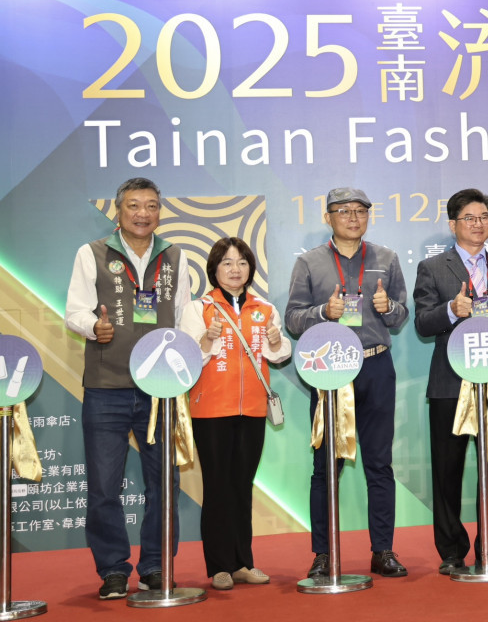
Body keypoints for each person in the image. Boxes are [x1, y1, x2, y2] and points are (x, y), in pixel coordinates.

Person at [65, 177, 190, 600]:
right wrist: (93, 326)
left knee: (164, 483)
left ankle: (156, 566)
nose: (143, 213)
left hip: (161, 388)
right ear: (118, 211)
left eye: (151, 206)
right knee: (104, 486)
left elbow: (183, 315)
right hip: (107, 386)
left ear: (160, 212)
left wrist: (192, 359)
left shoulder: (175, 256)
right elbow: (74, 310)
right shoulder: (92, 252)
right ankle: (113, 570)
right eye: (134, 205)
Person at [285, 187, 409, 579]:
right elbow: (292, 319)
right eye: (343, 211)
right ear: (328, 217)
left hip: (376, 365)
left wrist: (389, 307)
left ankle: (383, 550)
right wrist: (324, 312)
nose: (353, 218)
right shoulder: (309, 262)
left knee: (380, 463)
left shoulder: (386, 258)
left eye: (360, 211)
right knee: (325, 466)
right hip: (331, 371)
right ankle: (323, 554)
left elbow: (402, 315)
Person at [413, 188, 488, 574]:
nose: (478, 224)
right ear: (453, 224)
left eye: (484, 217)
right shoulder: (433, 268)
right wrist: (451, 309)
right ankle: (451, 550)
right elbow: (422, 323)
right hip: (451, 383)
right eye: (469, 218)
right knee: (447, 470)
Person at [180, 237, 291, 590]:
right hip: (211, 409)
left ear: (250, 269)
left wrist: (275, 340)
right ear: (214, 268)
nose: (235, 269)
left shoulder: (264, 309)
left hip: (253, 409)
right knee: (217, 486)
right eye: (227, 262)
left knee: (242, 485)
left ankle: (243, 562)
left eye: (242, 262)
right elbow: (187, 359)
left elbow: (280, 354)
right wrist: (207, 339)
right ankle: (219, 566)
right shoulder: (199, 308)